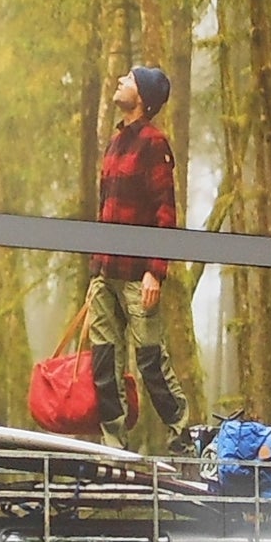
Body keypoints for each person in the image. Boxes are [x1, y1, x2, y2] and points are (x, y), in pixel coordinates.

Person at [81, 63, 184, 434]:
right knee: (104, 363)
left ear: (142, 96)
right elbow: (105, 210)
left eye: (129, 78)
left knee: (151, 361)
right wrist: (95, 275)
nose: (121, 80)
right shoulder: (115, 142)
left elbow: (165, 212)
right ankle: (114, 447)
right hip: (105, 274)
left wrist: (155, 271)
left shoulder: (154, 143)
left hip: (138, 277)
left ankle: (181, 438)